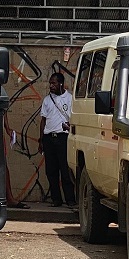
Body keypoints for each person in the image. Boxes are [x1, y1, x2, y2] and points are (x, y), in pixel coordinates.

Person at [39, 72, 75, 207]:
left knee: (65, 170)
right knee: (51, 171)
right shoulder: (47, 100)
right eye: (50, 83)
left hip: (63, 138)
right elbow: (43, 120)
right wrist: (41, 139)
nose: (51, 86)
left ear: (61, 84)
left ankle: (70, 199)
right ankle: (56, 199)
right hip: (49, 138)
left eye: (54, 83)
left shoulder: (70, 99)